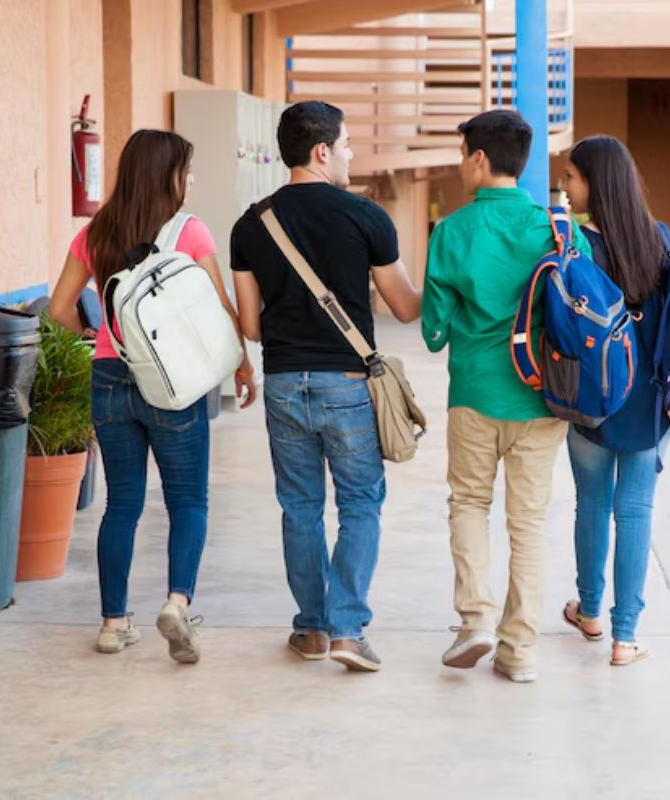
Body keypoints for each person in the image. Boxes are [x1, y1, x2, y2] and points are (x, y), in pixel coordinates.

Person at [49, 129, 257, 662]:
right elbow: (218, 309)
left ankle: (113, 623)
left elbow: (59, 308)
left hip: (111, 376)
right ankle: (176, 604)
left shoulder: (97, 231)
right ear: (168, 176)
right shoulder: (190, 231)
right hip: (175, 381)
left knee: (121, 504)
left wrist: (100, 337)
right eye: (186, 171)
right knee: (187, 500)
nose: (191, 180)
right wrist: (241, 364)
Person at [230, 101, 421, 673]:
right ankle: (347, 629)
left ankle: (312, 628)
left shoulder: (250, 223)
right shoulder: (366, 218)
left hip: (285, 382)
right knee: (360, 501)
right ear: (321, 151)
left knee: (300, 506)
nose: (350, 153)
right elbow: (406, 308)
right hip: (347, 382)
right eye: (346, 145)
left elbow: (250, 326)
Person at [422, 110, 586, 684]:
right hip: (543, 401)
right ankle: (519, 651)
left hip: (473, 393)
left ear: (479, 160)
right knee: (529, 524)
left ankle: (476, 623)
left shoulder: (451, 232)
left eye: (461, 152)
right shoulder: (561, 230)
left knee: (468, 504)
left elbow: (433, 332)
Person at [559, 134, 670, 667]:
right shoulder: (660, 238)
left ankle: (588, 610)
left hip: (592, 399)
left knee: (592, 503)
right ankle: (624, 636)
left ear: (595, 183)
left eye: (572, 177)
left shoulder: (574, 245)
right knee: (636, 511)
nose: (565, 187)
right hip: (649, 401)